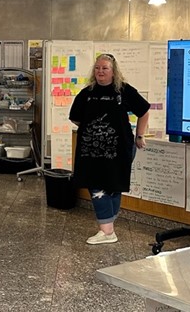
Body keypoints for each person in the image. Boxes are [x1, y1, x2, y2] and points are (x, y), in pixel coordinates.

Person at [69, 53, 150, 245]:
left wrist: (140, 135)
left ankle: (107, 230)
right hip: (91, 152)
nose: (100, 71)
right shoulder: (87, 93)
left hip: (120, 149)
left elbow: (144, 111)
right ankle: (107, 229)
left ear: (113, 71)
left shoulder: (124, 91)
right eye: (97, 68)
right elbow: (75, 117)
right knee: (96, 185)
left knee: (114, 185)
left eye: (104, 68)